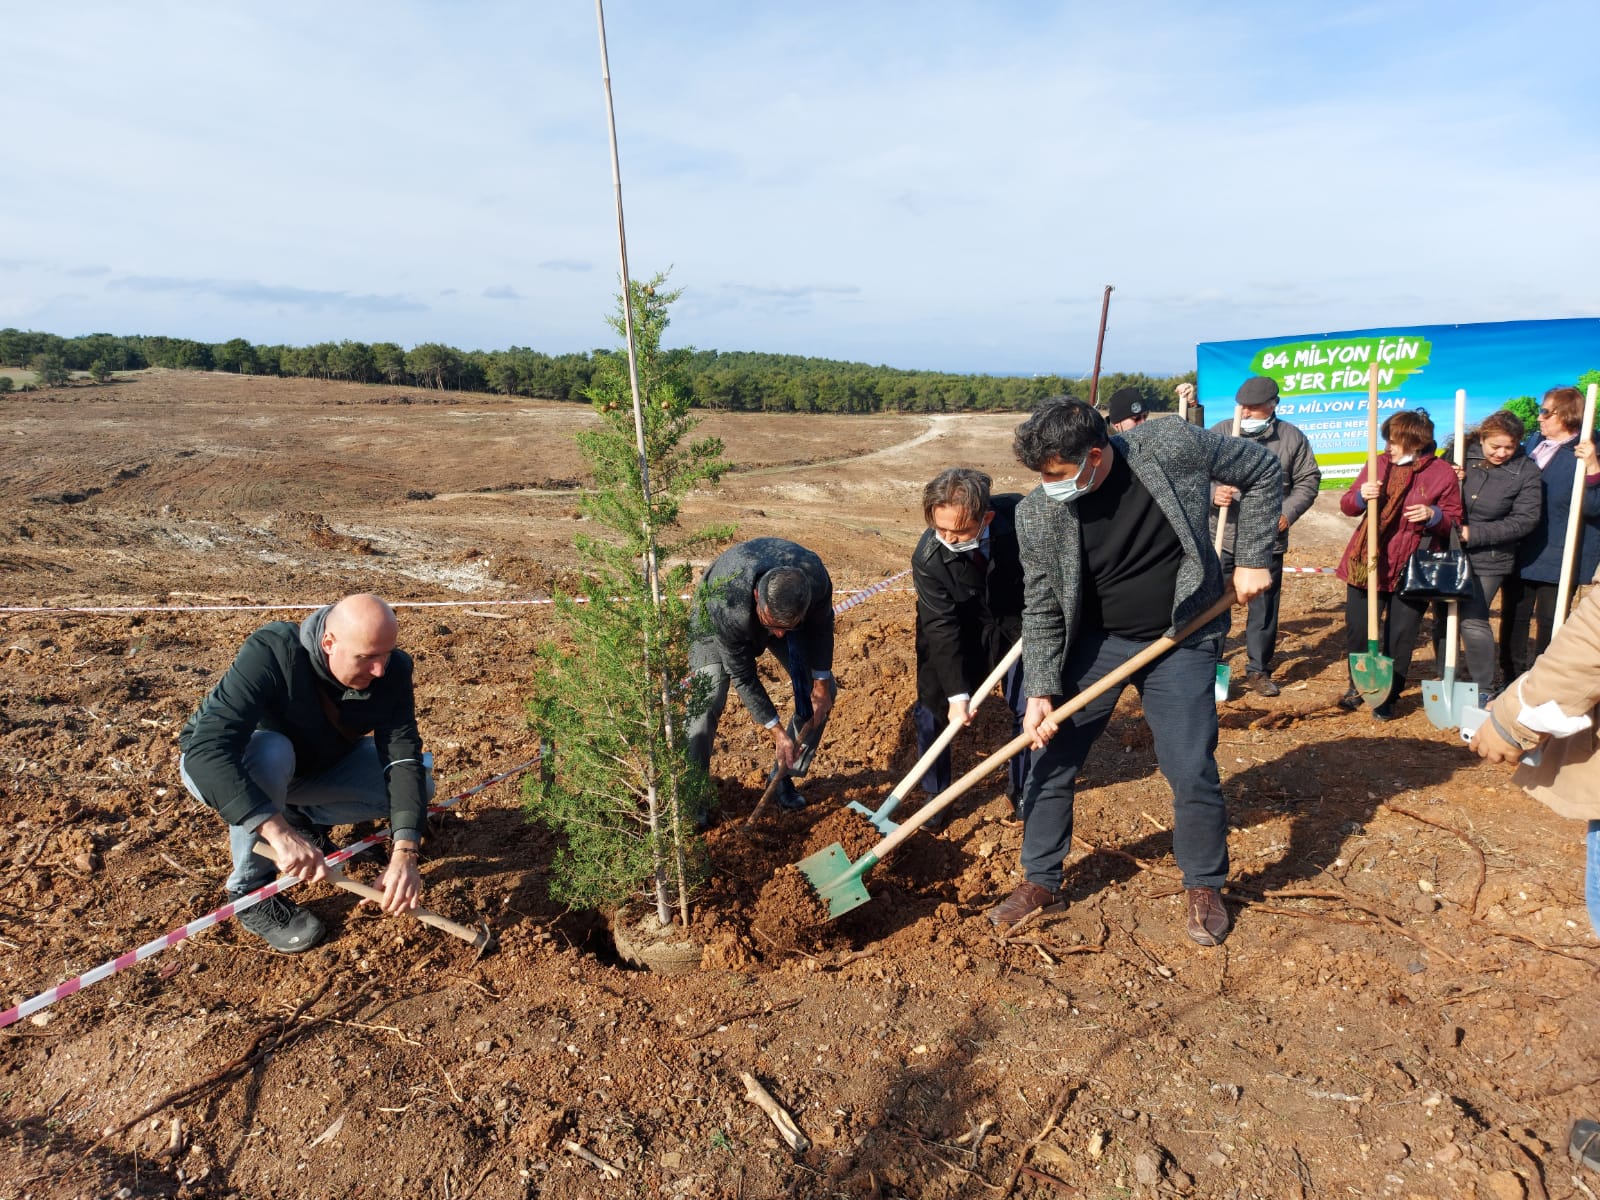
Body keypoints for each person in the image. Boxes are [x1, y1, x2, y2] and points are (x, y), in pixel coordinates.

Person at [996, 396, 1281, 944]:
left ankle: (1203, 883)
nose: (1047, 484)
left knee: (1189, 764)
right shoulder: (1037, 513)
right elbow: (1042, 605)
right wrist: (1042, 687)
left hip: (1181, 633)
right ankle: (1040, 879)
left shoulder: (1169, 445)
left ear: (1095, 456)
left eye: (1057, 473)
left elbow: (1263, 469)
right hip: (1096, 642)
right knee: (1051, 758)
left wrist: (1252, 556)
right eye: (1040, 475)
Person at [179, 594, 429, 953]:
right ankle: (251, 890)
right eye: (367, 657)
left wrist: (405, 852)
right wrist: (277, 833)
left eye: (386, 654)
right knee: (270, 751)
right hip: (234, 771)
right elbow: (206, 752)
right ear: (329, 643)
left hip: (314, 768)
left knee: (422, 780)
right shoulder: (273, 652)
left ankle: (302, 819)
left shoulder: (393, 672)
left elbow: (402, 758)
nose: (380, 670)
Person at [910, 467, 1028, 823]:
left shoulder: (1022, 519)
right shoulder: (928, 557)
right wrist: (958, 695)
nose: (947, 538)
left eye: (958, 531)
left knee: (1030, 706)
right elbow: (940, 626)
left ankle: (1024, 789)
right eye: (939, 528)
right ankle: (935, 796)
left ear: (986, 517)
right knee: (932, 707)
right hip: (957, 627)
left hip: (1016, 623)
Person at [687, 538, 836, 811]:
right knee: (705, 701)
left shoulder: (814, 579)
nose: (777, 635)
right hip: (717, 620)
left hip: (783, 611)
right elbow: (743, 675)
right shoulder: (727, 601)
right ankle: (692, 798)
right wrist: (777, 731)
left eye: (785, 628)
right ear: (759, 597)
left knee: (823, 693)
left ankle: (782, 778)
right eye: (773, 625)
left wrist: (821, 686)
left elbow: (822, 627)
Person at [1334, 408, 1464, 720]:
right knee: (1358, 628)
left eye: (1396, 442)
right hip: (1367, 560)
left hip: (1412, 564)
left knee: (1400, 633)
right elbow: (1348, 505)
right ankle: (1359, 684)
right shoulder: (1378, 464)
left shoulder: (1441, 473)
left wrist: (1434, 516)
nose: (1388, 447)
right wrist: (1362, 497)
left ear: (1417, 443)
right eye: (1387, 440)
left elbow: (1454, 519)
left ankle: (1388, 695)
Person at [1210, 375, 1323, 696]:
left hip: (1264, 543)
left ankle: (1258, 670)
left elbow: (1308, 481)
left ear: (1273, 406)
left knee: (1263, 611)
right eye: (1241, 408)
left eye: (1253, 409)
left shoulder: (1291, 439)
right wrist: (1213, 493)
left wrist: (1287, 514)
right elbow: (1195, 475)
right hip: (1222, 537)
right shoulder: (1220, 434)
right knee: (1214, 608)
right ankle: (1212, 666)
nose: (1244, 415)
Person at [1500, 385, 1600, 679]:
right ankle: (1510, 680)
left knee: (1550, 621)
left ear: (1566, 415)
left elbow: (1594, 508)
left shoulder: (1590, 449)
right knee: (1514, 618)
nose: (1539, 417)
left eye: (1545, 411)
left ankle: (1540, 682)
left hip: (1560, 552)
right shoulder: (1532, 445)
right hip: (1522, 548)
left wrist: (1593, 466)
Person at [1440, 411, 1542, 701]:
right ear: (1482, 438)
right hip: (1448, 549)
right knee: (1443, 615)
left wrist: (1475, 534)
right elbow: (1432, 488)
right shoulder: (1459, 455)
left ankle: (1484, 688)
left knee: (1473, 618)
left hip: (1491, 557)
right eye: (1495, 446)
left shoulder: (1526, 471)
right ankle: (1445, 676)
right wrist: (1449, 475)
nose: (1501, 453)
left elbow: (1525, 519)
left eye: (1509, 447)